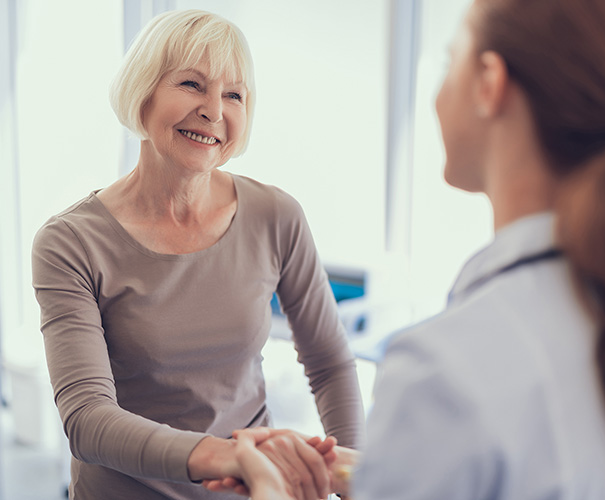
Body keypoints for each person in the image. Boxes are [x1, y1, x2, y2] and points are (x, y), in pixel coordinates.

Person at [214, 0, 605, 498]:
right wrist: (367, 470)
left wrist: (275, 491)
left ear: (490, 83)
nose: (439, 89)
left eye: (450, 59)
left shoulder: (445, 369)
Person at [31, 9, 364, 500]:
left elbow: (330, 362)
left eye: (233, 95)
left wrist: (358, 474)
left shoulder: (276, 215)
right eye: (191, 84)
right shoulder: (70, 243)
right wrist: (226, 455)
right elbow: (87, 418)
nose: (213, 110)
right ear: (142, 93)